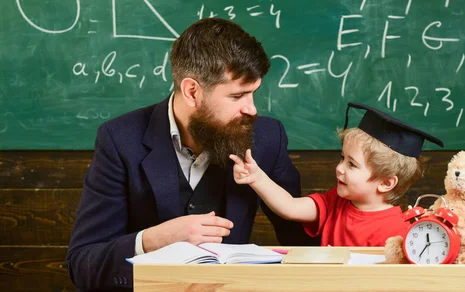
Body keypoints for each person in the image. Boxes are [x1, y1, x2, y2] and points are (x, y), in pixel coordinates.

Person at [66, 18, 317, 291]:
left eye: (253, 93)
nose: (252, 109)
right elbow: (83, 265)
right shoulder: (120, 139)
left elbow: (304, 240)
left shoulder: (268, 138)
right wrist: (153, 239)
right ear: (192, 91)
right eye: (237, 96)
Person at [230, 102, 445, 247]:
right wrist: (257, 177)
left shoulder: (401, 231)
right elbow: (290, 207)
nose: (339, 168)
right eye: (342, 158)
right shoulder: (334, 203)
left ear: (386, 182)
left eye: (352, 164)